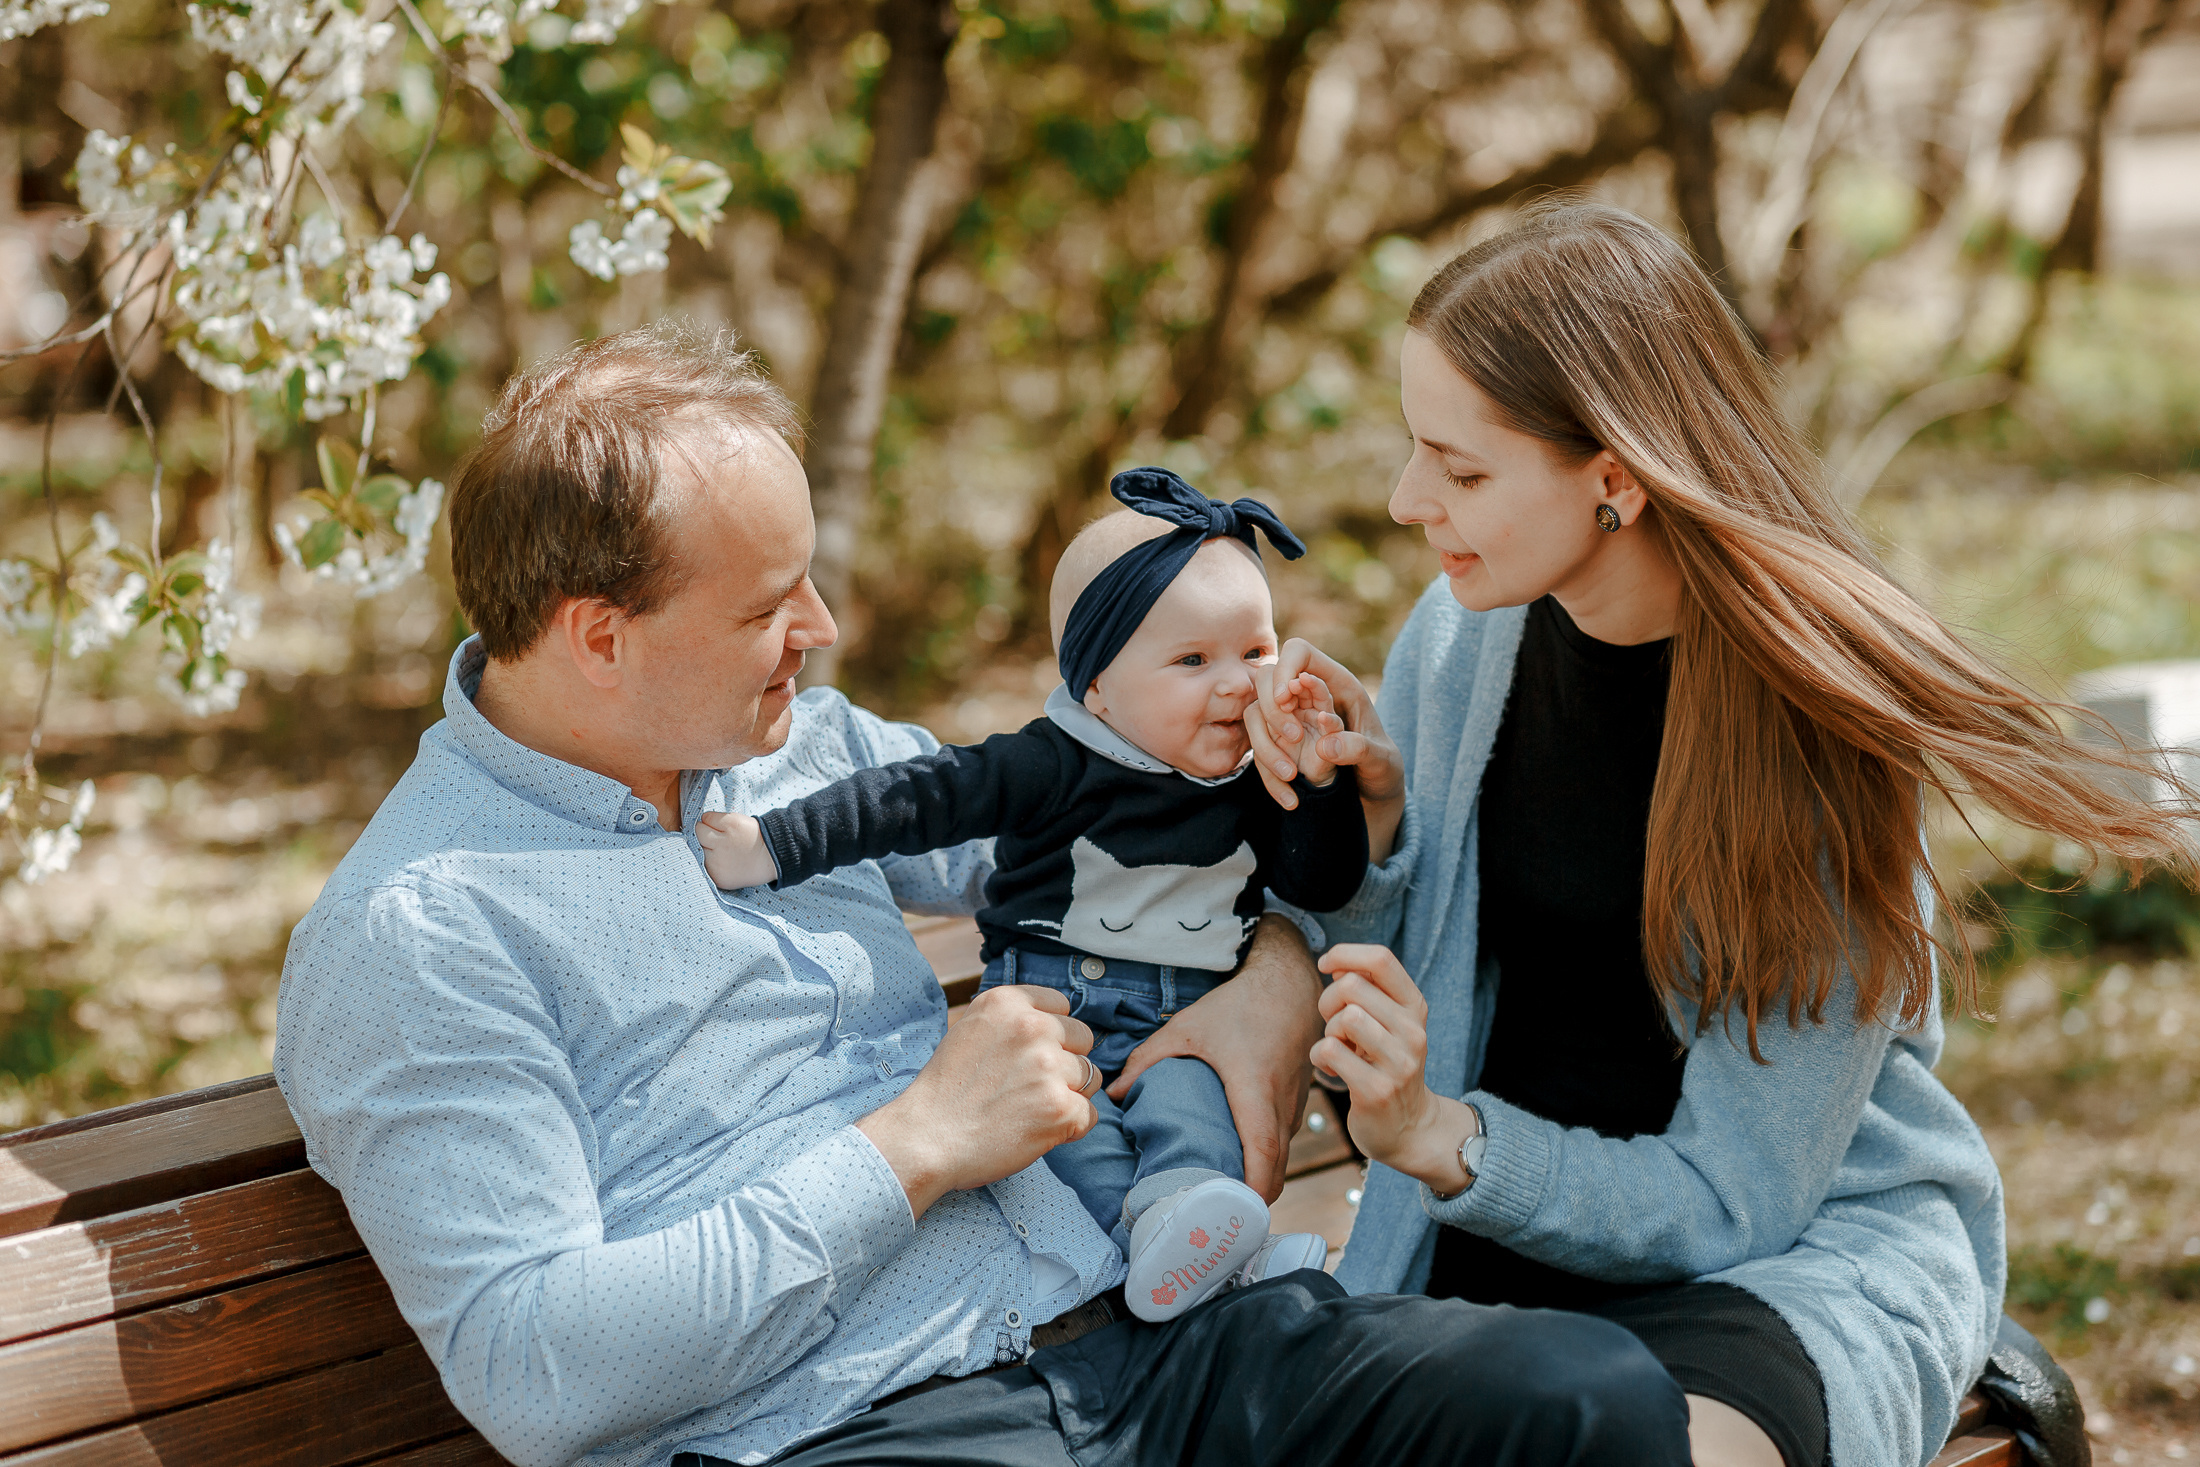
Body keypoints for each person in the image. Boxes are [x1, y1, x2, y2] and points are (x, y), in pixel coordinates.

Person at [272, 321, 1699, 1467]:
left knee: (1586, 1400)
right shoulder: (424, 934)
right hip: (854, 1422)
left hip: (1155, 1332)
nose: (820, 631)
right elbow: (537, 1367)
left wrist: (1272, 952)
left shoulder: (795, 747)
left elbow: (1124, 850)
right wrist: (916, 1142)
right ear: (596, 636)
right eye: (769, 604)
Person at [1244, 202, 2196, 1467]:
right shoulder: (1463, 637)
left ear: (1618, 478)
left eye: (1462, 469)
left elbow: (1730, 1199)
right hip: (1493, 1235)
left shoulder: (1817, 741)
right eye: (1417, 450)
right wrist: (1357, 837)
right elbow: (1413, 988)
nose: (1407, 497)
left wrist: (1441, 1137)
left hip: (1775, 1262)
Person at [694, 467, 1361, 1323]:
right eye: (1193, 660)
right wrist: (773, 846)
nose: (1236, 683)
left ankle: (1202, 1240)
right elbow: (907, 799)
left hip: (1188, 1023)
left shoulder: (1252, 772)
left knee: (1195, 1112)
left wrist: (1320, 785)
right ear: (1099, 689)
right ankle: (1181, 1263)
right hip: (1057, 1005)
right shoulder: (1048, 764)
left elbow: (1320, 881)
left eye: (1256, 652)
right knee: (1068, 1136)